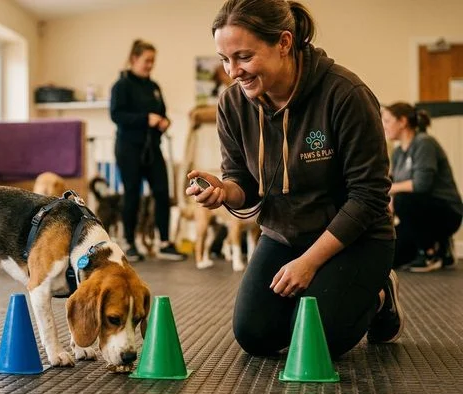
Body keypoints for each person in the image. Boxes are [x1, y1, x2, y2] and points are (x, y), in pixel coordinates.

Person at [186, 0, 403, 358]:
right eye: (225, 59)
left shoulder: (345, 94)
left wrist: (310, 262)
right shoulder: (231, 105)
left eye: (243, 57)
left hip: (356, 239)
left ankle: (381, 295)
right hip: (284, 235)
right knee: (254, 336)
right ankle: (324, 294)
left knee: (319, 339)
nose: (233, 71)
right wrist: (225, 191)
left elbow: (369, 196)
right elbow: (244, 182)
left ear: (284, 42)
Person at [110, 39, 186, 262]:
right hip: (128, 149)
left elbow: (160, 113)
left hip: (153, 148)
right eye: (147, 60)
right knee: (132, 194)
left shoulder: (154, 87)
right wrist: (145, 119)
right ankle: (130, 243)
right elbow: (116, 115)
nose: (150, 65)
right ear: (134, 59)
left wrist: (164, 122)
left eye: (153, 61)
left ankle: (164, 243)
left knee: (162, 192)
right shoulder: (121, 85)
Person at [382, 102, 462, 272]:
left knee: (403, 200)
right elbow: (392, 183)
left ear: (402, 121)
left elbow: (421, 184)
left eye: (387, 121)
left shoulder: (424, 143)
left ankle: (429, 252)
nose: (384, 125)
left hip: (447, 212)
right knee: (392, 255)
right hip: (419, 213)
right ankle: (441, 247)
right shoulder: (398, 153)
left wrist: (390, 191)